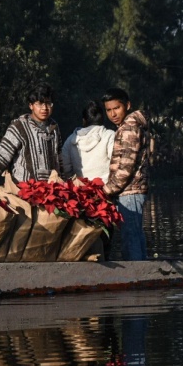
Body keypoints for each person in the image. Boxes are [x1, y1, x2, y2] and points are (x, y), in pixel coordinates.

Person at [0, 82, 62, 183]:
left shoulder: (54, 128)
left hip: (51, 192)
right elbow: (1, 157)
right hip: (23, 191)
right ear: (31, 106)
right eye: (39, 104)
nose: (44, 108)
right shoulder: (19, 127)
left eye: (48, 103)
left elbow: (60, 161)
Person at [101, 87, 150, 261]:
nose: (113, 113)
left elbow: (126, 168)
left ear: (127, 105)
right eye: (109, 110)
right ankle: (143, 273)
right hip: (130, 190)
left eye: (117, 108)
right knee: (135, 235)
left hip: (130, 191)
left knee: (130, 237)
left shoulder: (129, 127)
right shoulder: (127, 126)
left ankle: (137, 277)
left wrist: (106, 190)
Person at [61, 101, 114, 181]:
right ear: (103, 118)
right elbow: (116, 164)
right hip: (105, 190)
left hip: (80, 190)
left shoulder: (70, 140)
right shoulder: (109, 135)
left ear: (84, 120)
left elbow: (66, 168)